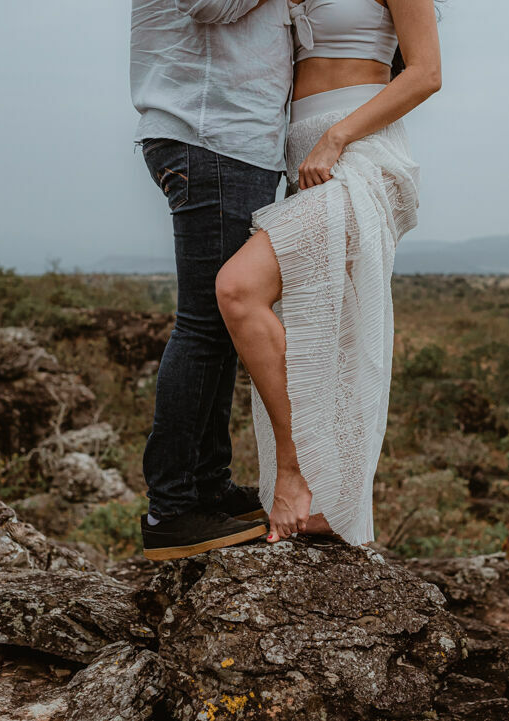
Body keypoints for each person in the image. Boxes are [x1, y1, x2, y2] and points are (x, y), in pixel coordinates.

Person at [215, 0, 442, 545]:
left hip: (360, 155)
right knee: (327, 338)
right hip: (303, 160)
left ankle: (297, 475)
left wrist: (337, 136)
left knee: (239, 288)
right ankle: (327, 506)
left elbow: (426, 73)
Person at [129, 0, 294, 560]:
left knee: (221, 326)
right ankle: (171, 508)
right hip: (212, 134)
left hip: (229, 138)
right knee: (204, 325)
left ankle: (205, 487)